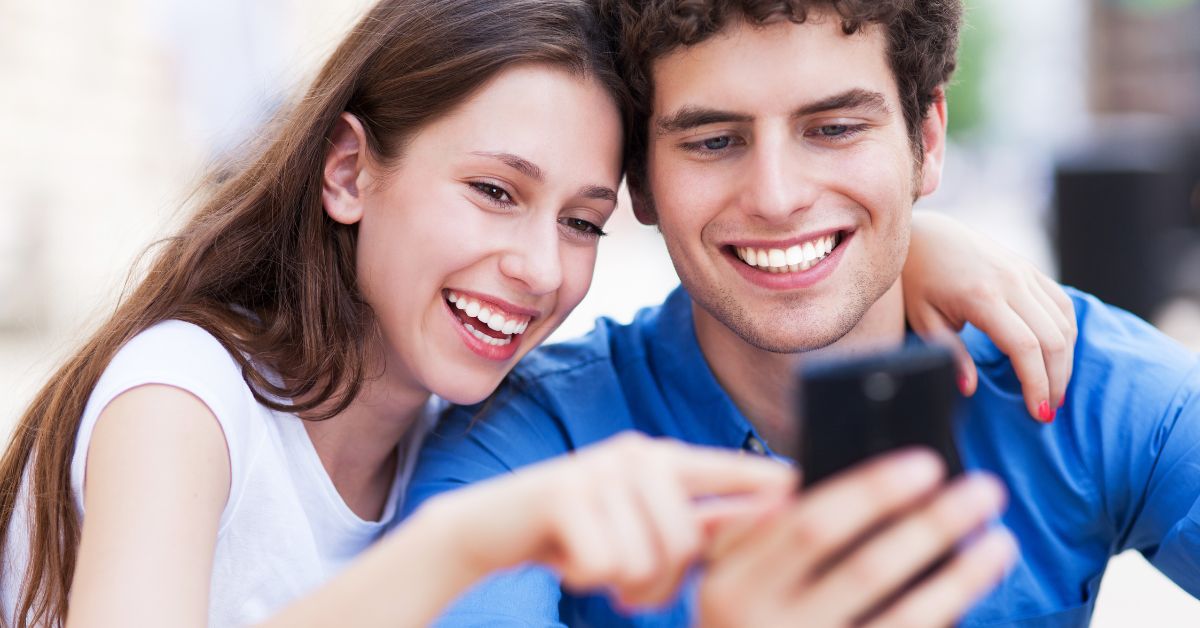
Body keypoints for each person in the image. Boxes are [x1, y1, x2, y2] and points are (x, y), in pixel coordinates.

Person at [0, 0, 1072, 627]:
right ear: (347, 170)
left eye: (581, 221)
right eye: (494, 192)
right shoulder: (184, 399)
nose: (532, 268)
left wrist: (907, 241)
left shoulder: (456, 412)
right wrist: (476, 538)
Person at [405, 0, 1200, 626]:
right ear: (639, 185)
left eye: (835, 128)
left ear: (927, 139)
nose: (778, 198)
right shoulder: (523, 453)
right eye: (714, 141)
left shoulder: (1077, 381)